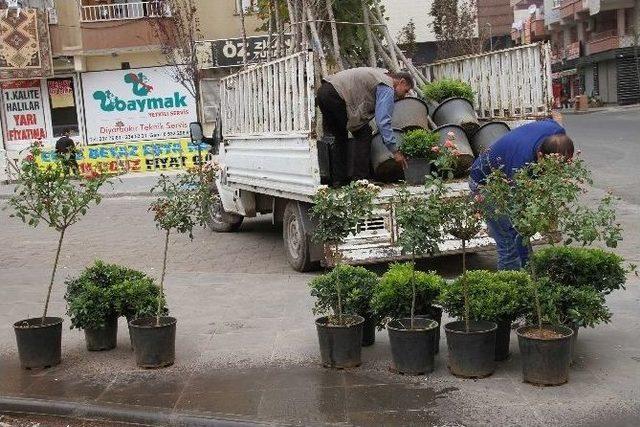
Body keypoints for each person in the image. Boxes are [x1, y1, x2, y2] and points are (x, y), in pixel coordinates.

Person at [469, 117, 574, 270]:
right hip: (485, 184)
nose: (557, 171)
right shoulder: (520, 164)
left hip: (504, 176)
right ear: (539, 154)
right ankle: (511, 287)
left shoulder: (557, 132)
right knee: (509, 241)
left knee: (521, 235)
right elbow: (518, 206)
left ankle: (528, 277)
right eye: (552, 166)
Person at [316, 68, 413, 185]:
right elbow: (383, 121)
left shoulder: (380, 74)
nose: (404, 95)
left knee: (340, 137)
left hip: (324, 91)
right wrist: (395, 151)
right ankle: (360, 179)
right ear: (401, 82)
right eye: (406, 90)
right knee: (364, 133)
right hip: (336, 95)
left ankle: (338, 181)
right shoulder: (387, 86)